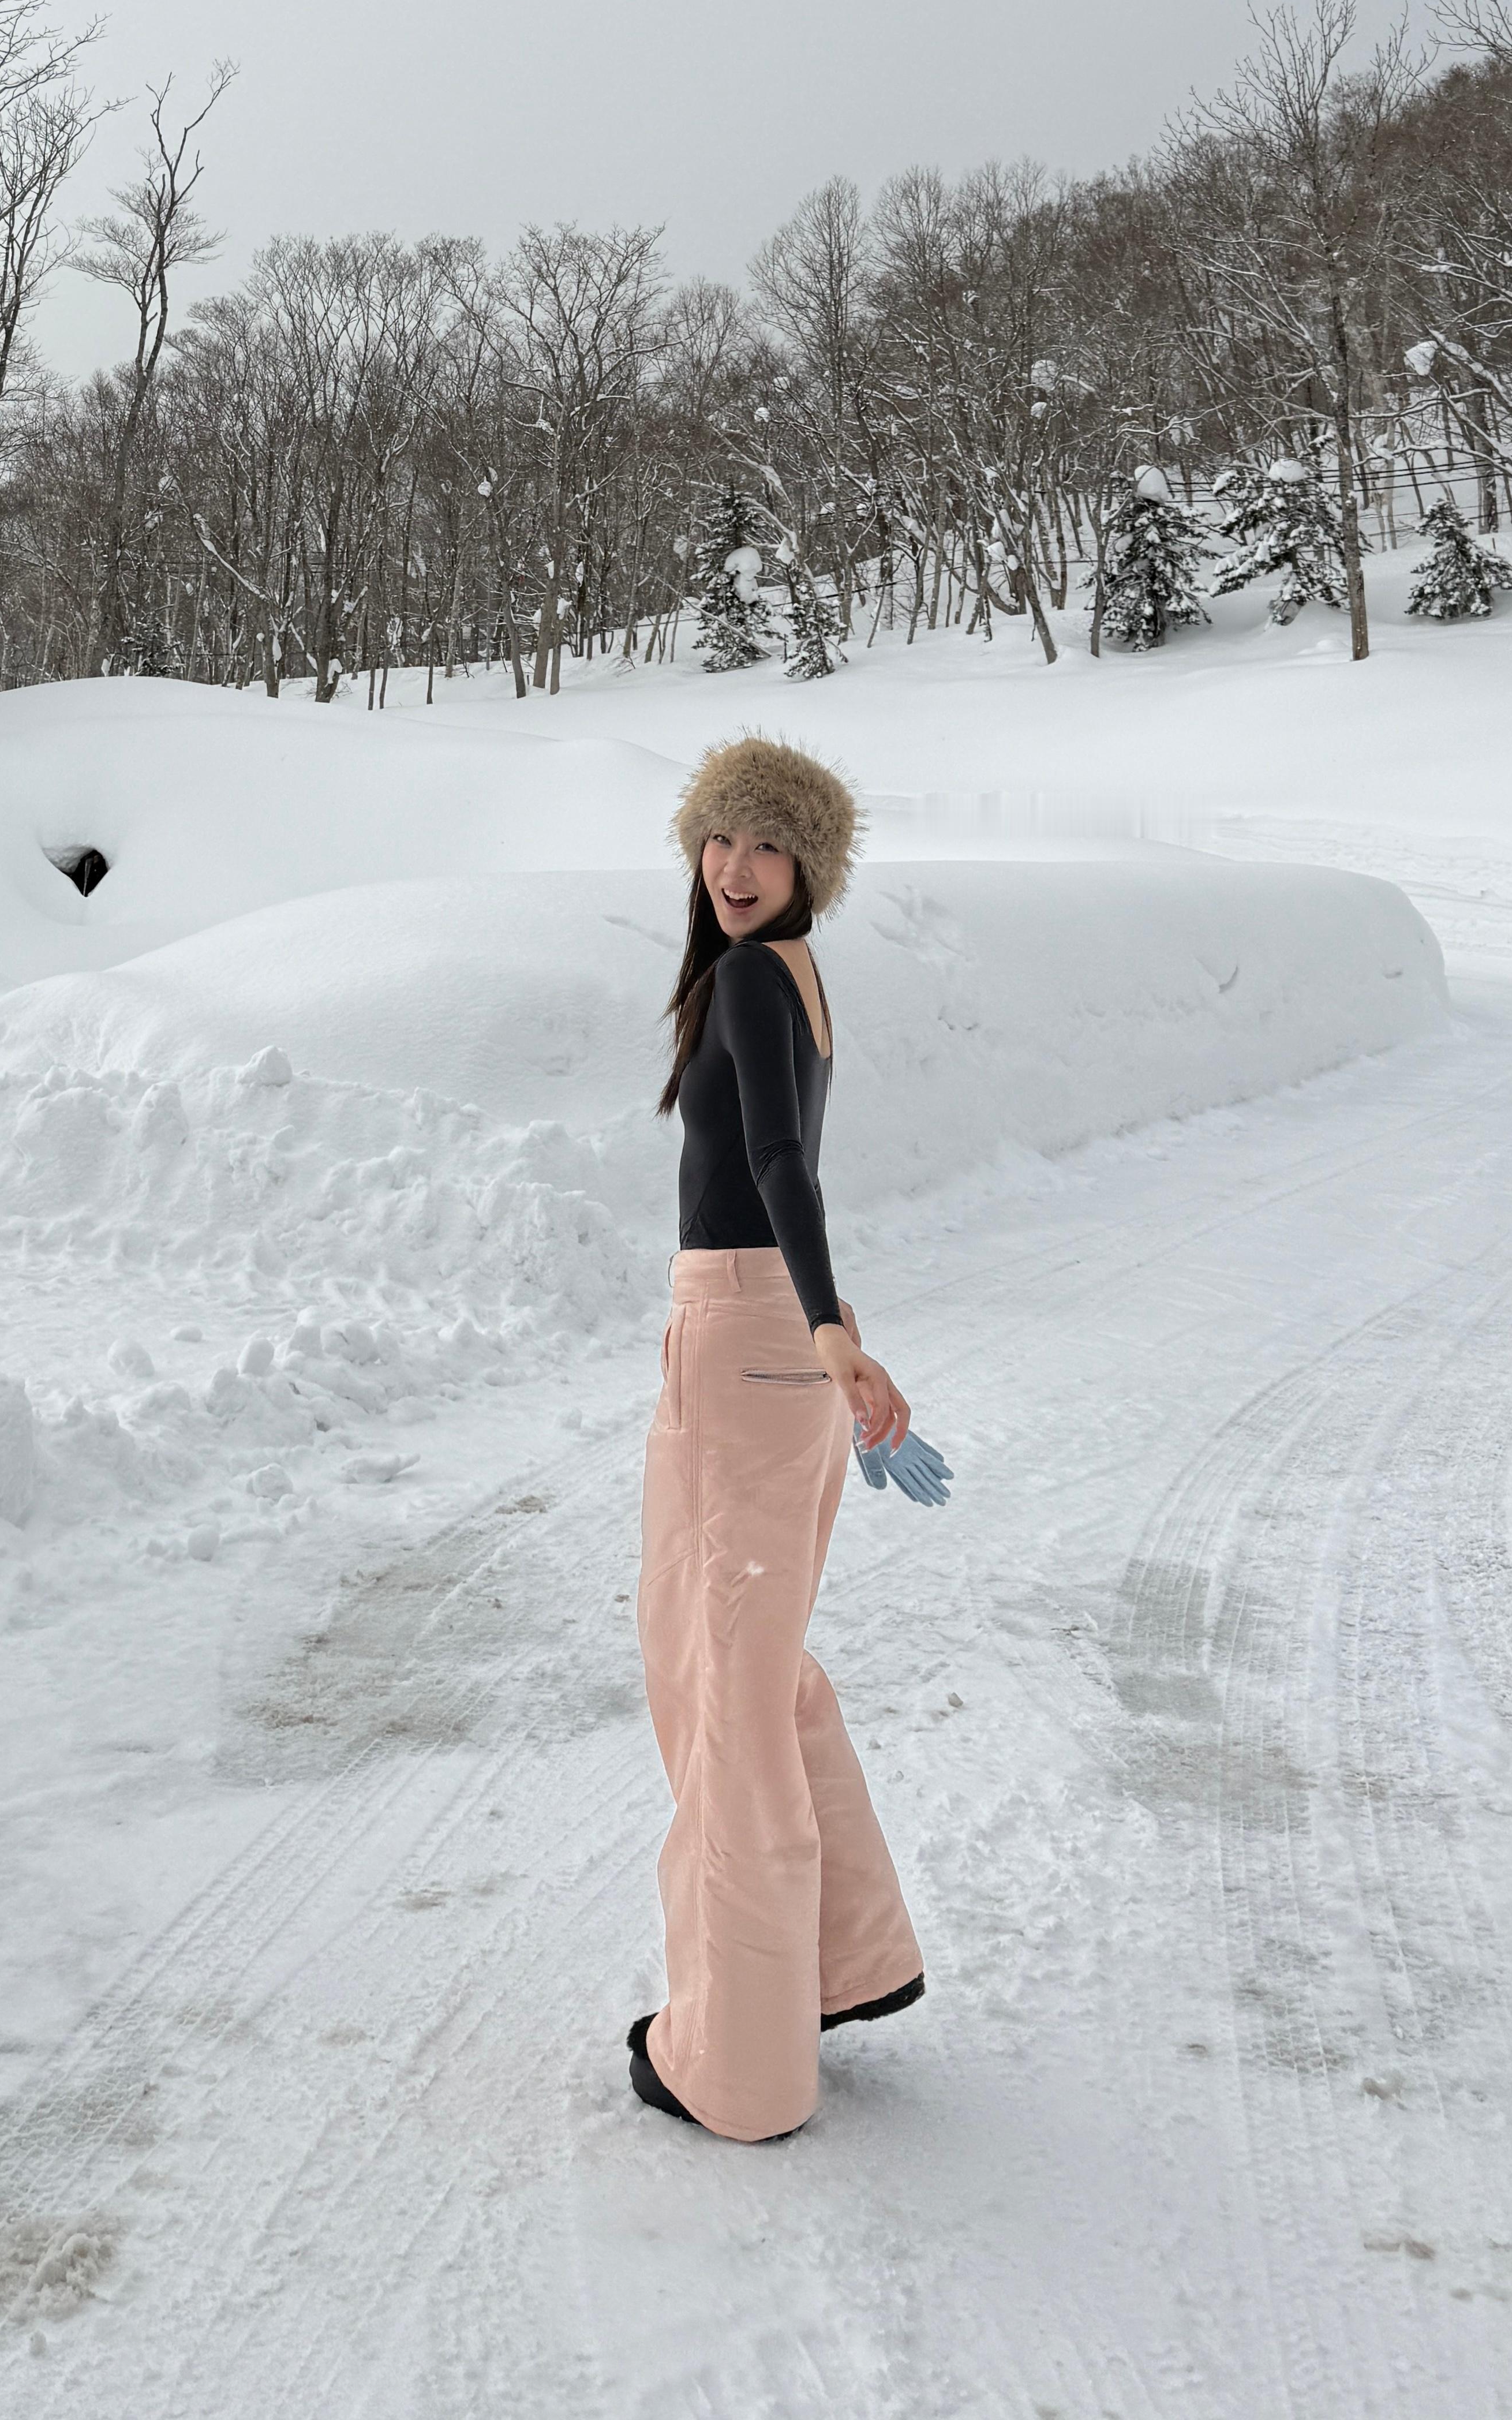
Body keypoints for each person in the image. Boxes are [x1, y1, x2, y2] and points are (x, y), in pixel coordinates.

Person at [629, 734, 925, 2142]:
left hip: (747, 1342)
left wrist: (818, 1323)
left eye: (766, 844)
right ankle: (845, 1955)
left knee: (718, 1686)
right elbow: (784, 1156)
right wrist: (826, 1325)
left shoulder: (753, 972)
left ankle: (734, 2064)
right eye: (718, 840)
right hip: (781, 1346)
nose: (736, 869)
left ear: (810, 864)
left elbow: (778, 1165)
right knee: (765, 1663)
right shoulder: (797, 981)